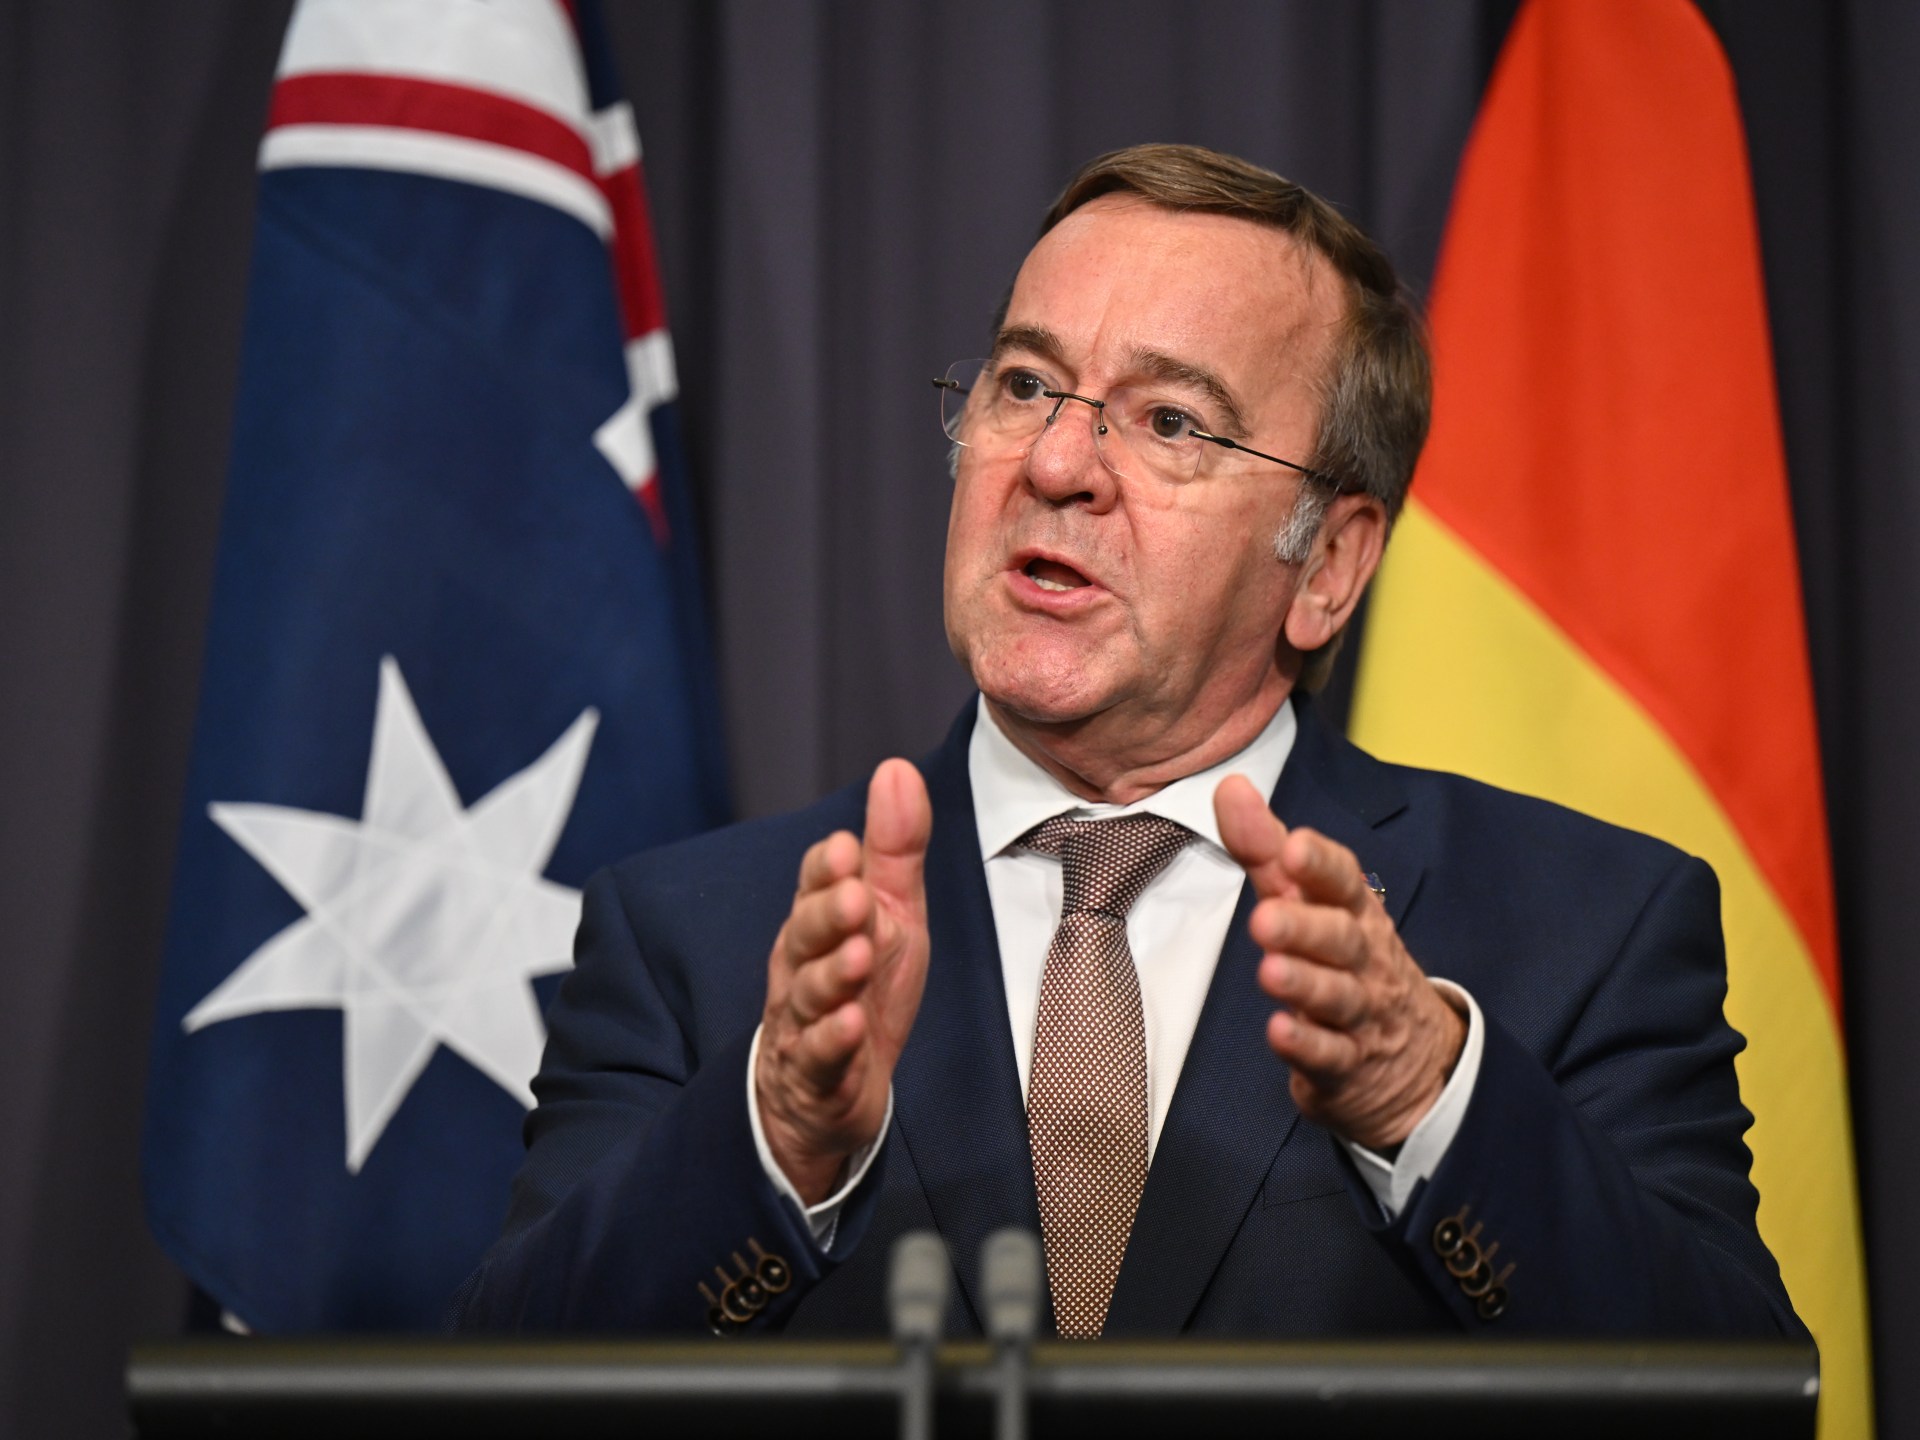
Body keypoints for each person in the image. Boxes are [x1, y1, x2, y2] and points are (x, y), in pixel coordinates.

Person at [451, 144, 1803, 1342]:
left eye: (1169, 421)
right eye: (1026, 384)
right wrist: (777, 1144)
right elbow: (512, 1394)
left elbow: (1734, 1394)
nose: (1055, 465)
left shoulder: (1584, 929)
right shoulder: (694, 942)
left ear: (1330, 565)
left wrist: (1426, 1099)